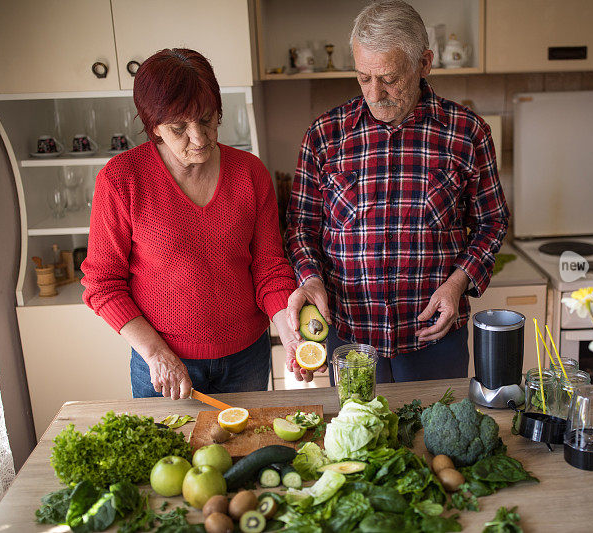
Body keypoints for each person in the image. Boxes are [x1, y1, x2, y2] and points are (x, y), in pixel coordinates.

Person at [285, 0, 509, 383]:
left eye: (389, 78)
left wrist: (458, 283)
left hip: (435, 342)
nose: (375, 93)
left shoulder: (467, 133)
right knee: (359, 442)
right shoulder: (325, 135)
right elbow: (300, 226)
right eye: (363, 77)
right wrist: (311, 279)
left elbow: (493, 223)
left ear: (424, 63)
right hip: (351, 342)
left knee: (436, 443)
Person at [82, 48, 299, 399]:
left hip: (247, 358)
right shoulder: (121, 179)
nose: (199, 139)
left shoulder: (250, 173)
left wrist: (286, 327)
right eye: (179, 128)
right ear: (153, 126)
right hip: (162, 360)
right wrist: (155, 353)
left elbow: (269, 267)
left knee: (246, 453)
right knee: (169, 453)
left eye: (207, 119)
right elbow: (102, 284)